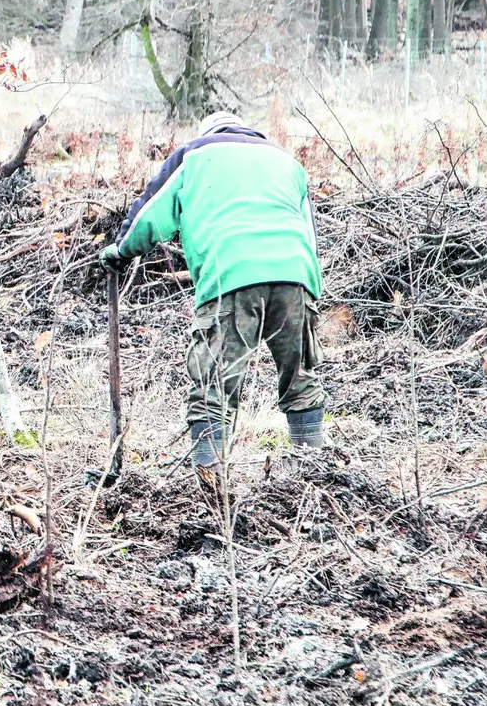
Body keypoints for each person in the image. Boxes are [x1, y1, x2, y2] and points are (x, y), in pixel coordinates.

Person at [102, 111, 330, 489]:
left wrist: (122, 250)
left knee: (214, 384)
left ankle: (211, 486)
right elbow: (309, 233)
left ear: (209, 132)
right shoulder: (286, 160)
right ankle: (313, 477)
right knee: (301, 377)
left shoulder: (195, 154)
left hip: (232, 274)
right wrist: (310, 290)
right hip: (295, 275)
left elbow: (152, 211)